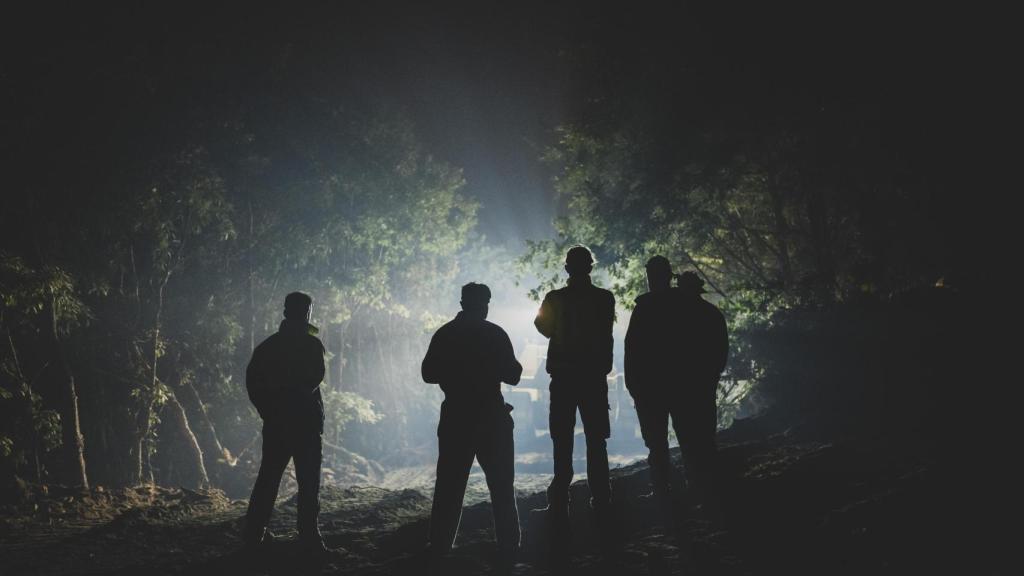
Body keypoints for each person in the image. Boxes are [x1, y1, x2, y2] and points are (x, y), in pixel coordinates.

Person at [421, 282, 523, 559]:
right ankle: (509, 546)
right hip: (491, 416)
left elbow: (428, 373)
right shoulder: (495, 334)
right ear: (483, 304)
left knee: (449, 487)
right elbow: (514, 375)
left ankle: (440, 546)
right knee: (502, 486)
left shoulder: (446, 334)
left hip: (457, 417)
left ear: (462, 302)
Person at [624, 258, 728, 509]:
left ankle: (665, 490)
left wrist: (634, 385)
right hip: (683, 387)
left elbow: (633, 348)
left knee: (658, 443)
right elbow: (713, 352)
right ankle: (697, 489)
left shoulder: (646, 306)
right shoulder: (693, 308)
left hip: (653, 388)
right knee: (689, 439)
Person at [242, 292, 331, 555]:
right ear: (307, 313)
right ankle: (309, 537)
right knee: (308, 482)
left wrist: (268, 411)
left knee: (268, 479)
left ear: (285, 311)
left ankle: (253, 535)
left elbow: (253, 384)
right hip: (305, 425)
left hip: (278, 425)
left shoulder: (267, 347)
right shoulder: (312, 346)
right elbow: (314, 379)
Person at [534, 245, 616, 520]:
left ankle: (560, 501)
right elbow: (606, 334)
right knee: (596, 440)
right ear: (590, 268)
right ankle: (602, 499)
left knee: (562, 439)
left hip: (564, 377)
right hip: (593, 378)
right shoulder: (604, 299)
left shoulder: (555, 299)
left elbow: (542, 327)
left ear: (567, 268)